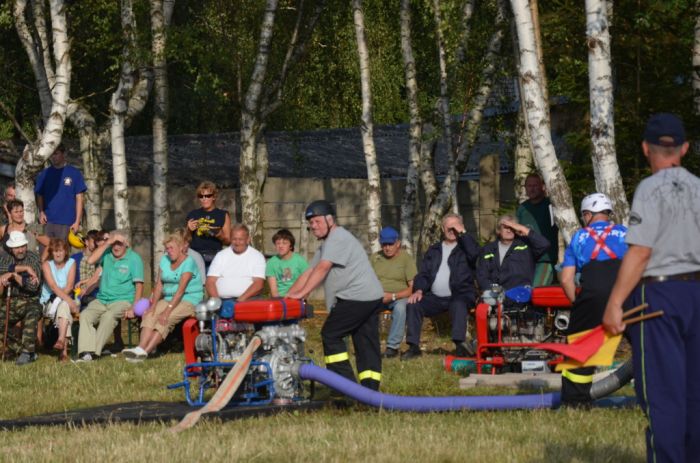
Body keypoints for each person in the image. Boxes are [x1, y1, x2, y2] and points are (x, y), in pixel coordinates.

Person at [603, 113, 700, 462]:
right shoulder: (698, 187)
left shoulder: (650, 188)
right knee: (695, 392)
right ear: (685, 148)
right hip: (696, 295)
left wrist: (615, 302)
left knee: (663, 392)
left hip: (659, 297)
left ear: (646, 148)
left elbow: (641, 251)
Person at [287, 200, 384, 391]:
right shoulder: (327, 244)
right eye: (310, 223)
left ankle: (345, 388)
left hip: (357, 297)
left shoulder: (338, 238)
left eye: (316, 222)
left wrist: (302, 294)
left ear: (330, 220)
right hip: (367, 298)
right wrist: (289, 296)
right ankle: (369, 392)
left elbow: (322, 269)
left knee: (331, 335)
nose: (313, 227)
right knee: (364, 342)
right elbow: (309, 272)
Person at [559, 193, 627, 406]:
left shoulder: (579, 237)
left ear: (587, 214)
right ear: (608, 214)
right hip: (626, 294)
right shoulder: (626, 232)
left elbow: (566, 278)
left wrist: (577, 304)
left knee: (579, 349)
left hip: (593, 295)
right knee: (647, 347)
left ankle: (575, 401)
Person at [402, 213, 480, 360]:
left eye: (455, 226)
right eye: (448, 227)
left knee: (458, 303)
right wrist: (418, 290)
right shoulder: (434, 250)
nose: (452, 230)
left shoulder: (466, 248)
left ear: (461, 227)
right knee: (414, 304)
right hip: (435, 297)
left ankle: (459, 345)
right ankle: (413, 347)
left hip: (460, 294)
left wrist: (462, 233)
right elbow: (424, 274)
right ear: (443, 229)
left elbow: (475, 255)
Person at [123, 231, 203, 362]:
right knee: (150, 314)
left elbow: (180, 291)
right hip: (168, 298)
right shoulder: (165, 260)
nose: (169, 251)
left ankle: (145, 353)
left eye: (172, 248)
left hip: (188, 299)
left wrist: (166, 311)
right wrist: (153, 306)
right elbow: (159, 285)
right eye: (167, 248)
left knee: (166, 318)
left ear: (181, 247)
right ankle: (140, 348)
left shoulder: (189, 262)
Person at [77, 230, 144, 361]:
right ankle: (86, 352)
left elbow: (139, 286)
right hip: (102, 299)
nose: (116, 247)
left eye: (119, 243)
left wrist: (134, 307)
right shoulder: (107, 254)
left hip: (123, 301)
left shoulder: (134, 259)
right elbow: (90, 260)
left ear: (126, 244)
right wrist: (108, 242)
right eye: (114, 244)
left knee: (108, 317)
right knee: (85, 315)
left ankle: (94, 353)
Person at [370, 226, 417, 358]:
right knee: (364, 307)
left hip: (399, 296)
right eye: (384, 244)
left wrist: (393, 296)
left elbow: (413, 287)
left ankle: (392, 347)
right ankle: (369, 345)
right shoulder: (375, 258)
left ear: (398, 243)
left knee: (401, 308)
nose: (387, 248)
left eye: (390, 244)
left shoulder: (406, 259)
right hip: (377, 296)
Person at [476, 215, 550, 294]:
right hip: (496, 295)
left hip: (520, 295)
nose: (509, 230)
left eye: (512, 228)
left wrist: (524, 229)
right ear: (498, 230)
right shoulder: (488, 249)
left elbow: (544, 244)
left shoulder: (526, 246)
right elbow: (482, 276)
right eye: (506, 227)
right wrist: (496, 290)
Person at [0, 231, 42, 365]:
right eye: (17, 247)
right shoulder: (6, 258)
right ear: (11, 249)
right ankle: (24, 350)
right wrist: (22, 268)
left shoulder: (33, 259)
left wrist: (15, 276)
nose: (20, 250)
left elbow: (32, 286)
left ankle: (25, 353)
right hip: (10, 301)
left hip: (31, 300)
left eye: (22, 246)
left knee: (32, 314)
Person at [34, 144, 87, 239]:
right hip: (48, 221)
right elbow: (39, 194)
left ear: (64, 154)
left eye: (56, 154)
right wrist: (41, 212)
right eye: (51, 154)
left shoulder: (74, 173)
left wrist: (77, 221)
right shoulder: (44, 174)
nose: (53, 157)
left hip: (67, 222)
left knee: (62, 253)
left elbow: (79, 198)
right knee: (46, 252)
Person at [516, 173, 559, 286]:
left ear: (542, 187)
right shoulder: (522, 208)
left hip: (546, 259)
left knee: (537, 290)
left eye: (535, 185)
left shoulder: (550, 205)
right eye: (529, 186)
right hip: (527, 259)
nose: (532, 189)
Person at [40, 238, 78, 362]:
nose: (58, 254)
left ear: (65, 252)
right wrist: (70, 301)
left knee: (64, 306)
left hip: (63, 301)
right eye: (55, 251)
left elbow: (70, 286)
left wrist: (66, 300)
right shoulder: (46, 265)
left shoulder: (71, 262)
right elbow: (53, 287)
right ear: (51, 252)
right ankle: (63, 351)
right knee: (66, 306)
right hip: (48, 302)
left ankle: (61, 340)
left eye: (60, 251)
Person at [205, 224, 265, 303]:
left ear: (248, 240)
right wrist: (217, 301)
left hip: (247, 300)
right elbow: (210, 281)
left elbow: (258, 284)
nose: (237, 242)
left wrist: (239, 301)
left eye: (240, 239)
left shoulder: (257, 256)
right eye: (234, 239)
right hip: (221, 300)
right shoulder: (221, 255)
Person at [186, 181, 232, 269]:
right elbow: (186, 239)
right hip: (196, 256)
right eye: (201, 196)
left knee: (211, 282)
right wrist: (189, 230)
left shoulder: (223, 214)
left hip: (215, 257)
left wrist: (219, 234)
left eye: (208, 196)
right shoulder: (193, 214)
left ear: (214, 197)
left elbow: (228, 241)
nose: (204, 199)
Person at [266, 228, 308, 297]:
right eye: (278, 243)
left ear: (290, 246)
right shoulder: (271, 263)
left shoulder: (300, 261)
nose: (280, 246)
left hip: (297, 297)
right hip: (279, 299)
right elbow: (274, 291)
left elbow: (307, 283)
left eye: (284, 243)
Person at [71, 229, 105, 308]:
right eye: (94, 241)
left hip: (96, 295)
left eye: (98, 241)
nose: (96, 244)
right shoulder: (75, 259)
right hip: (79, 295)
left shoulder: (102, 259)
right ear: (86, 242)